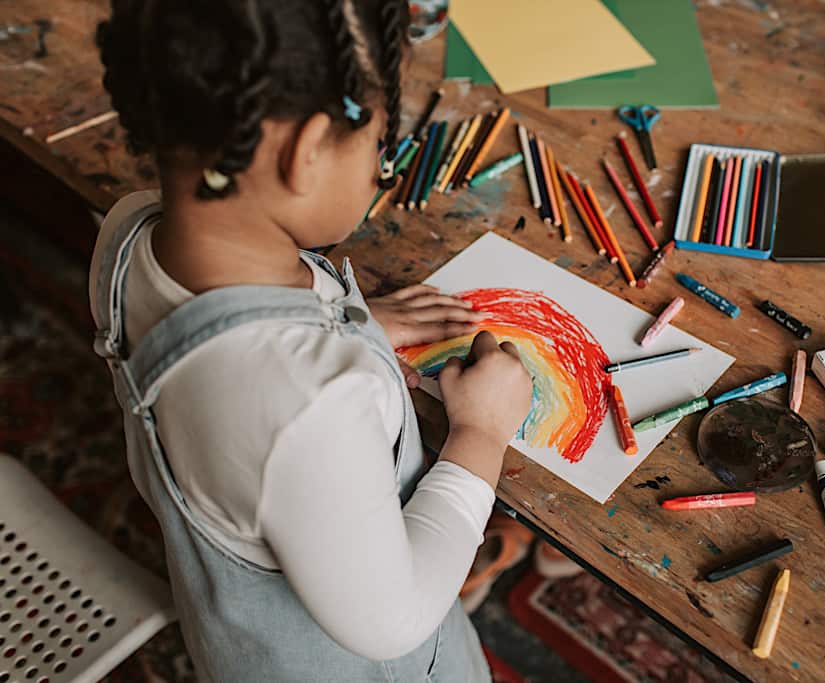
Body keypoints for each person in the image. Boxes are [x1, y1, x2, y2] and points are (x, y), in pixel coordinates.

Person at [88, 1, 533, 680]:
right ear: (307, 152)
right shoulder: (308, 405)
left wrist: (350, 323)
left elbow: (230, 360)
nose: (379, 169)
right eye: (378, 147)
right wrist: (482, 432)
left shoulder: (127, 234)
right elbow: (394, 619)